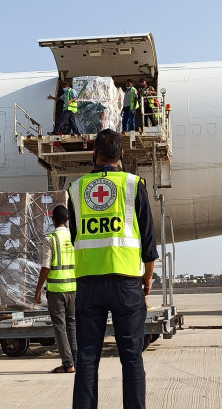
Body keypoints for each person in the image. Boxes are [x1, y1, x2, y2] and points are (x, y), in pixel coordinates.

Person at [68, 129, 158, 409]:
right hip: (126, 283)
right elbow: (148, 240)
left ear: (94, 154)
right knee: (131, 358)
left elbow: (74, 237)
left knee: (86, 359)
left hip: (88, 285)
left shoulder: (76, 189)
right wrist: (148, 278)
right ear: (121, 155)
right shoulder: (134, 185)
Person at [33, 205, 78, 373]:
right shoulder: (74, 237)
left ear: (52, 220)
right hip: (73, 288)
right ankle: (76, 361)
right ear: (67, 220)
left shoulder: (50, 239)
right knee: (72, 325)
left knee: (60, 326)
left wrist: (38, 291)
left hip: (56, 290)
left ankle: (68, 364)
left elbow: (45, 267)